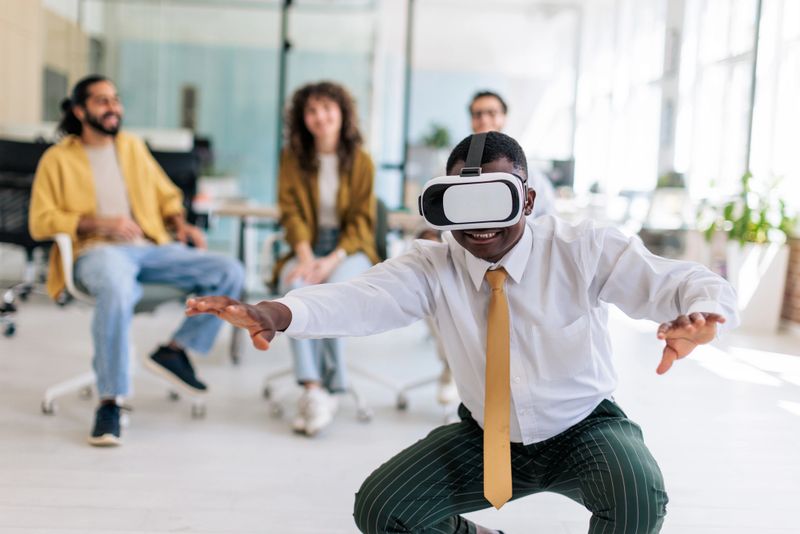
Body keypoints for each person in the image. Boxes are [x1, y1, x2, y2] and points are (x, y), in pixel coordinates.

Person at [187, 131, 738, 533]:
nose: (478, 223)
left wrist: (702, 315)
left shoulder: (582, 248)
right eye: (461, 202)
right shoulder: (434, 263)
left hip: (583, 427)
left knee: (639, 496)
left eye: (494, 199)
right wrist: (278, 313)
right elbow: (363, 296)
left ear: (526, 199)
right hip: (486, 435)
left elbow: (679, 279)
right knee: (383, 508)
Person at [29, 75, 244, 447]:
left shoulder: (131, 148)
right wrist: (101, 222)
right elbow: (39, 220)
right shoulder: (58, 159)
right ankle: (110, 400)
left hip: (149, 248)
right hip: (97, 252)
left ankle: (175, 351)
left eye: (115, 99)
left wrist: (181, 224)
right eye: (102, 101)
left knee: (230, 271)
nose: (113, 107)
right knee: (116, 286)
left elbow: (166, 196)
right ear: (80, 111)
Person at [273, 81, 379, 436]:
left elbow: (363, 221)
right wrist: (305, 257)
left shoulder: (361, 161)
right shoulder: (292, 157)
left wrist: (330, 259)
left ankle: (336, 386)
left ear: (342, 112)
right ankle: (313, 389)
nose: (320, 117)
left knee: (335, 287)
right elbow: (290, 212)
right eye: (312, 110)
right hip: (306, 244)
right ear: (302, 119)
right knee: (296, 287)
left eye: (327, 108)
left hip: (348, 248)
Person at [469, 90, 557, 217]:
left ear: (504, 118)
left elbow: (549, 218)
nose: (484, 119)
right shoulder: (449, 172)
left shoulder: (533, 176)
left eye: (491, 113)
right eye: (477, 114)